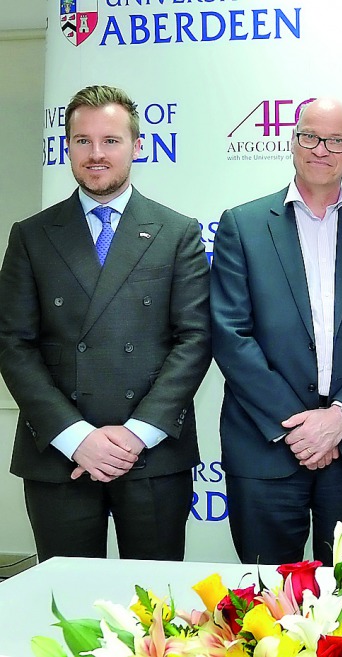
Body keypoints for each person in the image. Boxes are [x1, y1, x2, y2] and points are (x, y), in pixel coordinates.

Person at [0, 84, 210, 561]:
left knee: (158, 612)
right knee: (66, 614)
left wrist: (136, 434)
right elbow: (13, 345)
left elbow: (194, 340)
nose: (96, 154)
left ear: (137, 146)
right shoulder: (31, 235)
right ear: (66, 147)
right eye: (82, 141)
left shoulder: (178, 232)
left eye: (111, 140)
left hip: (152, 453)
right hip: (59, 454)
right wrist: (78, 438)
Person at [210, 97, 342, 566]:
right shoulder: (243, 225)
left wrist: (338, 417)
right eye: (310, 137)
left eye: (337, 140)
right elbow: (230, 335)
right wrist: (301, 427)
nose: (322, 149)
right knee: (263, 605)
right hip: (266, 445)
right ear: (292, 142)